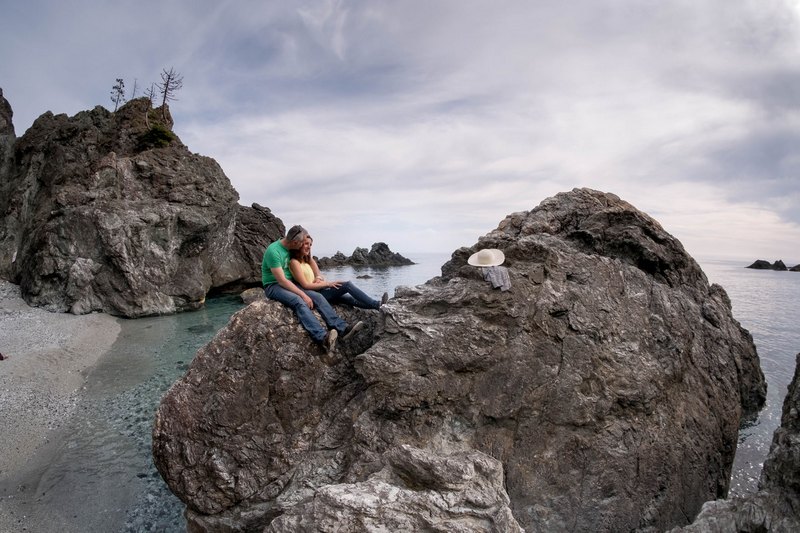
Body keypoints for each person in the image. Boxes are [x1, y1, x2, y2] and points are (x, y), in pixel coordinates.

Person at [262, 225, 363, 360]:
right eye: (302, 243)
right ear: (295, 242)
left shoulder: (291, 246)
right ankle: (322, 338)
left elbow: (309, 259)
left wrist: (318, 278)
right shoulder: (273, 251)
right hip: (274, 285)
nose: (304, 245)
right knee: (299, 302)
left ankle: (342, 328)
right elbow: (282, 281)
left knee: (318, 296)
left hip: (292, 283)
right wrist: (303, 294)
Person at [289, 235, 389, 309]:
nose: (309, 247)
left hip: (321, 290)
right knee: (347, 285)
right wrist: (328, 284)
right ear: (300, 244)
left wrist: (318, 279)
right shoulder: (294, 262)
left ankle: (378, 308)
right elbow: (305, 285)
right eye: (306, 244)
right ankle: (377, 304)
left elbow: (319, 274)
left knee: (349, 299)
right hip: (314, 294)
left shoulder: (309, 260)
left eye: (310, 244)